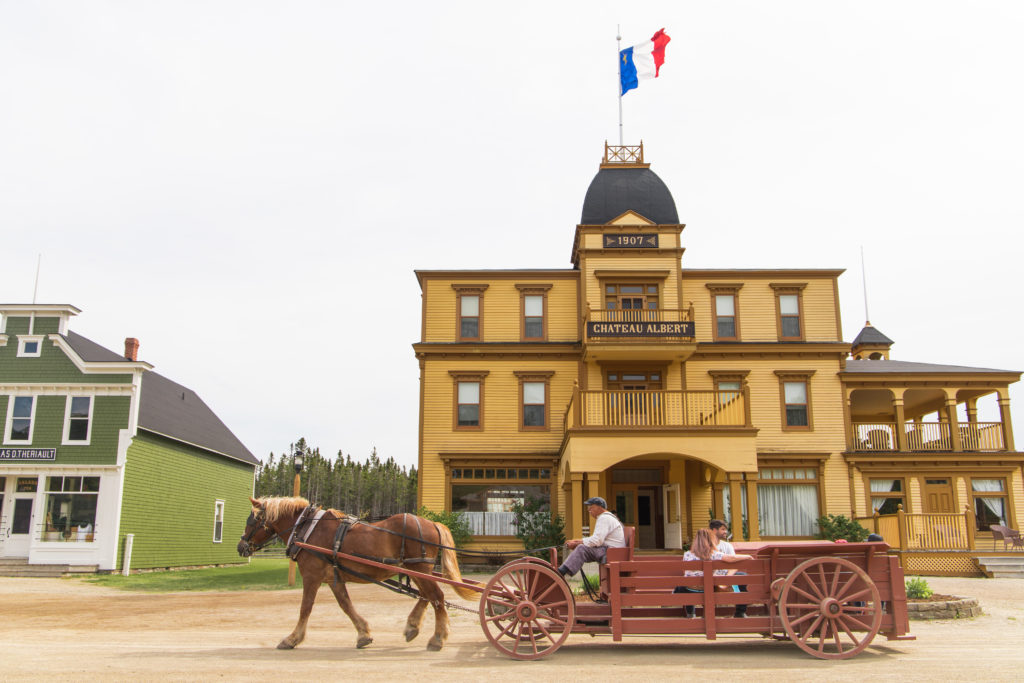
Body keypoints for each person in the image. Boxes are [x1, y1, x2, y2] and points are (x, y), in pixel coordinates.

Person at [674, 528, 753, 617]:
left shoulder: (687, 554)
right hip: (709, 588)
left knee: (686, 583)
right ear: (710, 540)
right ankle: (740, 612)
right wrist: (747, 556)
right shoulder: (712, 554)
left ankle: (691, 614)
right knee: (741, 576)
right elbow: (731, 558)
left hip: (690, 589)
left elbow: (685, 572)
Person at [557, 497, 625, 577]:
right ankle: (564, 570)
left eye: (591, 507)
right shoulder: (606, 518)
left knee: (582, 549)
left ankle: (561, 572)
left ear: (600, 507)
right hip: (610, 550)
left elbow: (597, 541)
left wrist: (576, 543)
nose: (589, 510)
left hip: (610, 551)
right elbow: (596, 539)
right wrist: (576, 542)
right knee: (581, 547)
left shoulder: (604, 518)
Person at [709, 518, 749, 617]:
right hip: (709, 578)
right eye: (722, 529)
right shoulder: (706, 545)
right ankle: (708, 614)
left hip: (726, 576)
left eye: (725, 529)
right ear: (714, 530)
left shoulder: (727, 546)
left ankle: (740, 612)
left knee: (742, 577)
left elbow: (735, 564)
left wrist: (727, 578)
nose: (725, 532)